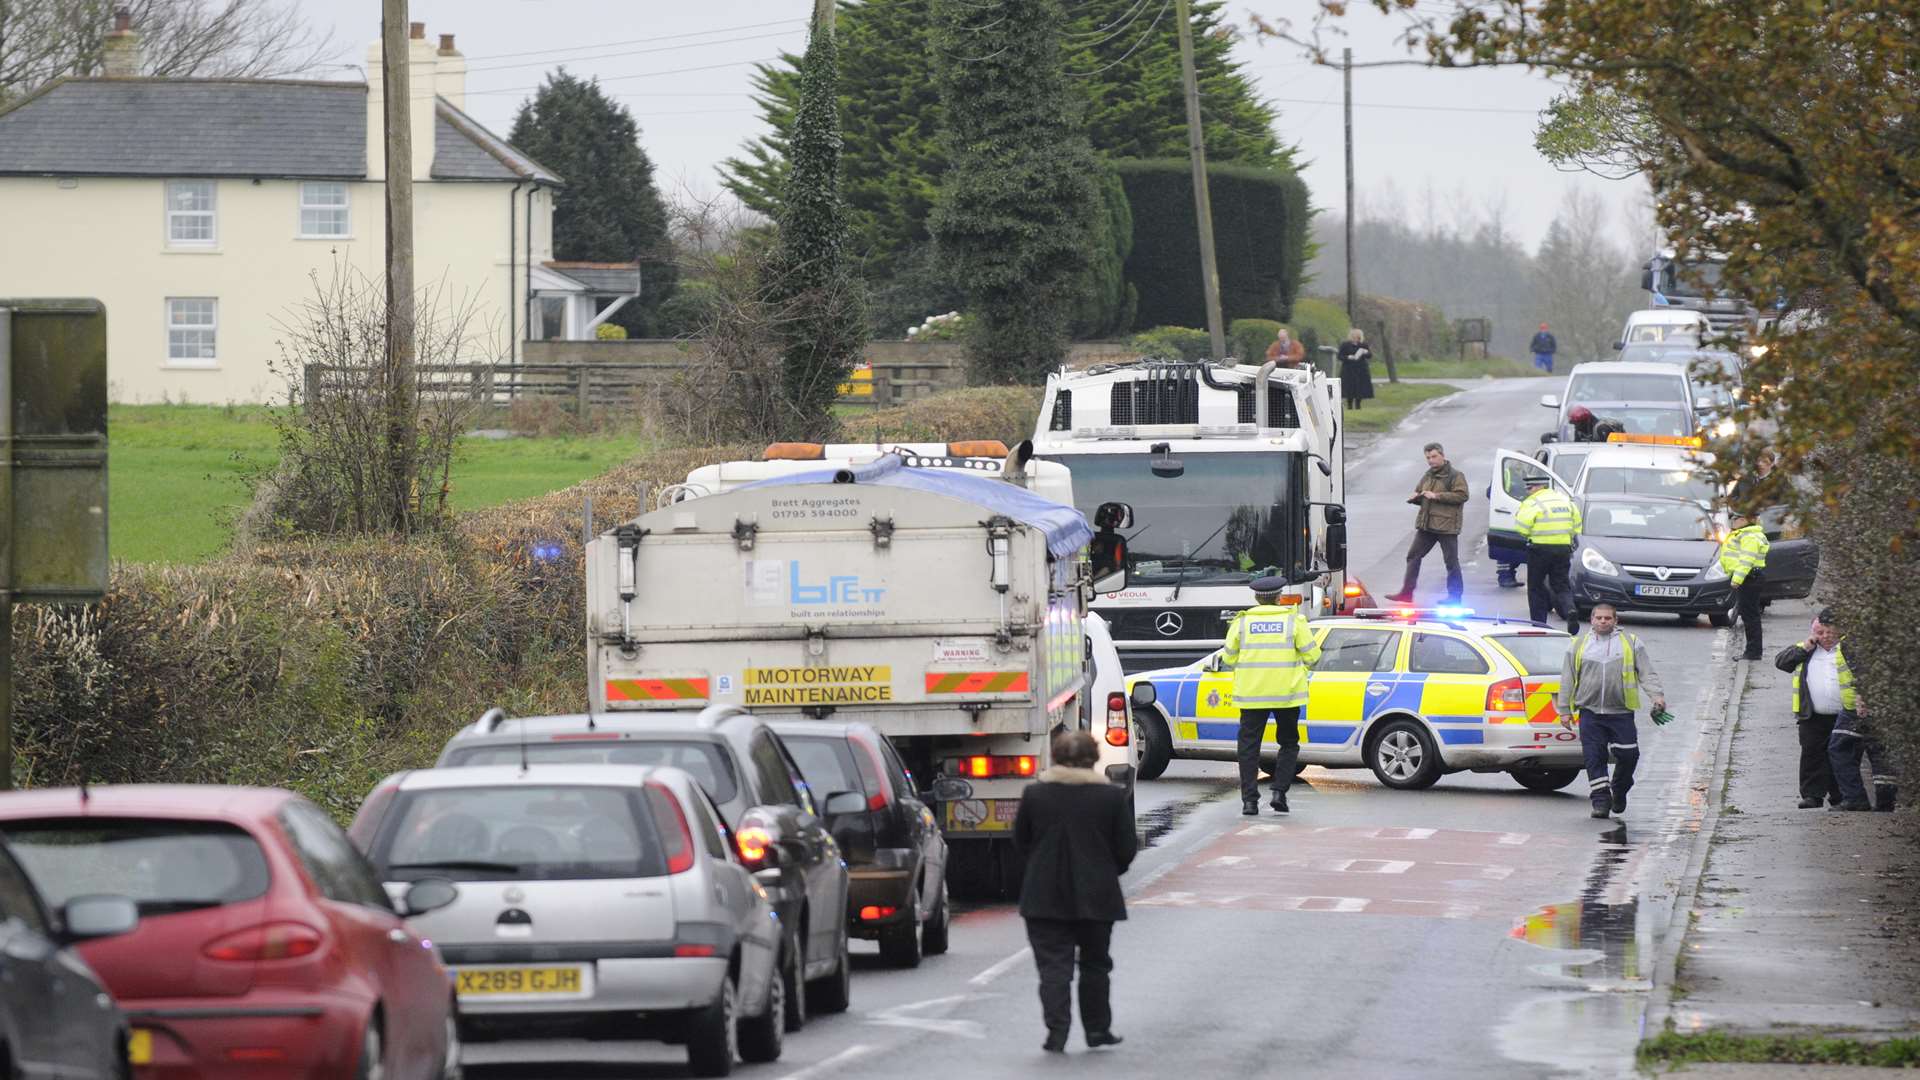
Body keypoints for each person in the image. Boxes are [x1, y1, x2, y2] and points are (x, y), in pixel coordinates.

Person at [1014, 730, 1137, 1053]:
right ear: (1094, 758)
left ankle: (1057, 1032)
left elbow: (1021, 842)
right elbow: (1125, 849)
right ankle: (1097, 1030)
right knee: (1096, 964)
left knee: (1054, 967)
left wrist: (1040, 868)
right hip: (1097, 895)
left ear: (1055, 757)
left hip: (1043, 895)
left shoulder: (1035, 795)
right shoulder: (1111, 797)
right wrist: (1106, 872)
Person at [1220, 575, 1322, 816]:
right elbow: (1312, 657)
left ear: (1256, 598)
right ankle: (1279, 793)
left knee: (1248, 748)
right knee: (1288, 744)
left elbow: (1228, 658)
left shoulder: (1242, 623)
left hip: (1251, 695)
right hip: (1287, 695)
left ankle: (1249, 802)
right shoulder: (1293, 621)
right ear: (1279, 598)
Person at [1557, 602, 1668, 819]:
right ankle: (1600, 799)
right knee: (1594, 757)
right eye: (1599, 618)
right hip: (1589, 712)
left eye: (1608, 618)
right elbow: (1567, 678)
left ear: (1616, 621)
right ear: (1591, 620)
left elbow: (1647, 673)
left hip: (1621, 712)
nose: (1603, 621)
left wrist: (1657, 697)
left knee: (1629, 756)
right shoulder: (1579, 645)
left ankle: (1619, 789)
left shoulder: (1631, 643)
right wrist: (1564, 710)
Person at [1774, 609, 1849, 809]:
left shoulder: (1846, 649)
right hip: (1812, 715)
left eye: (1829, 632)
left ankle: (1839, 795)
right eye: (1820, 633)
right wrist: (1806, 647)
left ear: (1839, 632)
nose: (1825, 637)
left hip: (1842, 714)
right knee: (1812, 754)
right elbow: (1781, 662)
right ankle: (1812, 795)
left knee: (1839, 756)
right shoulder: (1806, 650)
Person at [1383, 443, 1469, 604]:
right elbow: (1421, 495)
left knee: (1451, 562)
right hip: (1427, 525)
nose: (1431, 460)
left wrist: (1436, 496)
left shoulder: (1455, 475)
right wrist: (1415, 498)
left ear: (1442, 455)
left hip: (1447, 527)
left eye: (1434, 456)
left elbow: (1462, 496)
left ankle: (1455, 597)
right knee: (1413, 556)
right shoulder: (1428, 475)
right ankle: (1406, 593)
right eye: (1428, 458)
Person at [1514, 473, 1583, 631]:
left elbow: (1521, 528)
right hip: (1563, 548)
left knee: (1536, 587)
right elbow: (1577, 524)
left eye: (1529, 487)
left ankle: (1539, 625)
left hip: (1539, 549)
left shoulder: (1532, 502)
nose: (1528, 491)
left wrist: (1531, 534)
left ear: (1538, 486)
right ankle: (1570, 610)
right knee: (1561, 585)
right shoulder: (1564, 500)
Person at [1829, 680, 1898, 813]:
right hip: (1873, 704)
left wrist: (1862, 699)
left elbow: (1863, 669)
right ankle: (1885, 801)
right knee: (1879, 750)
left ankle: (1856, 799)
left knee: (1841, 749)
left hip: (1857, 707)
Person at [1717, 510, 1772, 660]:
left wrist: (1737, 580)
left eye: (1734, 518)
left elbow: (1746, 560)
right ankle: (1753, 651)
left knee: (1750, 616)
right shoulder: (1745, 534)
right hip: (1749, 578)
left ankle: (1753, 652)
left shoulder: (1749, 536)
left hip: (1749, 578)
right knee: (1749, 614)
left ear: (1744, 520)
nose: (1732, 521)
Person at [1727, 449, 1779, 515]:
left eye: (1765, 462)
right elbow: (1733, 496)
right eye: (1758, 461)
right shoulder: (1746, 478)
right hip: (1742, 516)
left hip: (1765, 517)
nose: (1760, 464)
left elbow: (1782, 503)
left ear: (1772, 464)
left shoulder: (1777, 482)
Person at [1336, 328, 1375, 409]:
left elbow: (1370, 355)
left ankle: (1358, 404)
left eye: (1358, 337)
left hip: (1361, 369)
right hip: (1348, 369)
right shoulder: (1345, 345)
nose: (1356, 338)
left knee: (1360, 387)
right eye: (1354, 337)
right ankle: (1349, 404)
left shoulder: (1363, 345)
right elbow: (1339, 356)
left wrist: (1365, 352)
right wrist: (1348, 357)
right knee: (1349, 387)